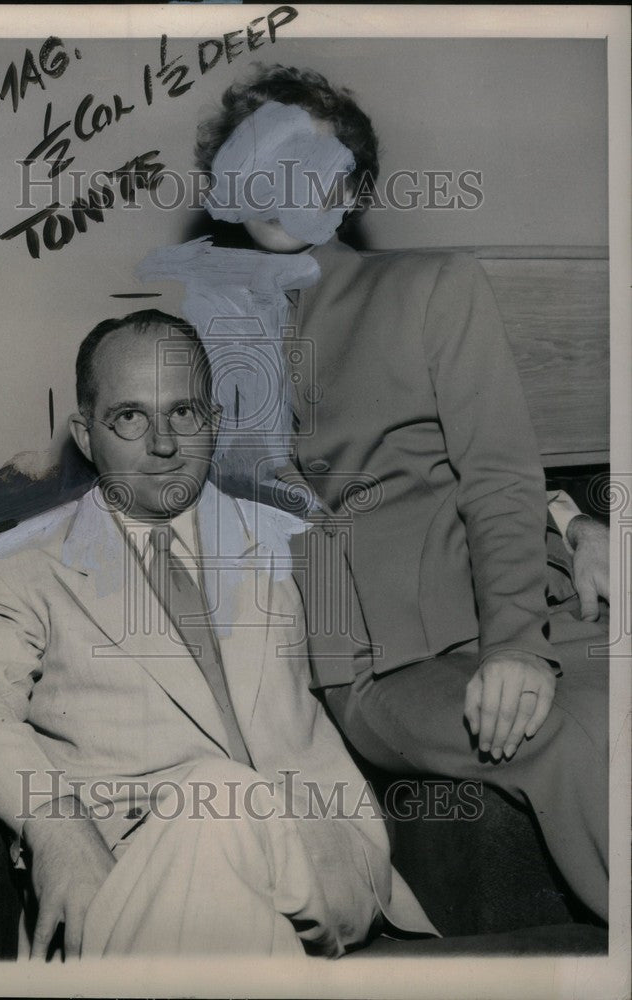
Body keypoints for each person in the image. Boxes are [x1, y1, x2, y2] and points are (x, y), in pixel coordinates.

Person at [176, 64, 609, 921]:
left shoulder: (430, 286)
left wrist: (519, 639)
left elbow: (496, 469)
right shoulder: (207, 336)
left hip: (516, 620)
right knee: (571, 740)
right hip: (371, 666)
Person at [0, 308, 436, 959]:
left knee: (219, 798)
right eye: (130, 417)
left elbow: (434, 549)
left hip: (320, 859)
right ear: (85, 434)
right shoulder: (15, 567)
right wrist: (55, 826)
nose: (162, 444)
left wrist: (564, 522)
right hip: (132, 875)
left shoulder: (293, 538)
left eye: (182, 413)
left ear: (211, 422)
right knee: (212, 818)